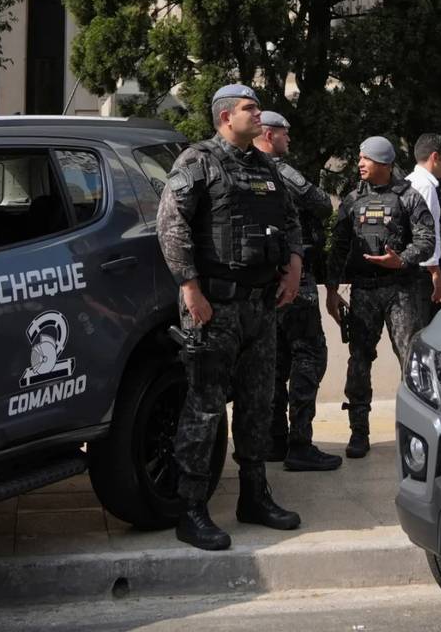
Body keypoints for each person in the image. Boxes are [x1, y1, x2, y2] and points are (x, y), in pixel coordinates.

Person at [156, 83, 304, 551]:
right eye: (249, 108)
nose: (258, 113)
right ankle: (192, 509)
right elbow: (171, 225)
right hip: (213, 307)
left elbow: (292, 219)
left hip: (261, 307)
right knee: (204, 407)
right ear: (224, 117)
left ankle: (254, 497)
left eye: (257, 107)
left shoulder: (265, 167)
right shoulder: (197, 161)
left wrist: (294, 266)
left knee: (259, 404)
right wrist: (190, 288)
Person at [327, 136, 436, 459]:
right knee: (359, 360)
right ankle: (358, 431)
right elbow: (339, 246)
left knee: (410, 362)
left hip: (401, 289)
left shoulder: (409, 197)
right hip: (364, 290)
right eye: (359, 158)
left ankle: (416, 433)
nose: (360, 163)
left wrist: (401, 259)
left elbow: (427, 239)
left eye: (366, 158)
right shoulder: (352, 201)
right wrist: (332, 290)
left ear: (385, 164)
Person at [256, 111, 342, 473]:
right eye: (285, 134)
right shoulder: (278, 169)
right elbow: (322, 205)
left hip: (263, 280)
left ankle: (274, 440)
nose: (289, 140)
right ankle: (300, 444)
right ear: (270, 134)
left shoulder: (244, 169)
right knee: (310, 355)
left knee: (275, 361)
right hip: (295, 276)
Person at [406, 132, 441, 323]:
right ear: (435, 157)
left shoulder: (411, 180)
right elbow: (426, 234)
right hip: (422, 273)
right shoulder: (425, 186)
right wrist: (436, 274)